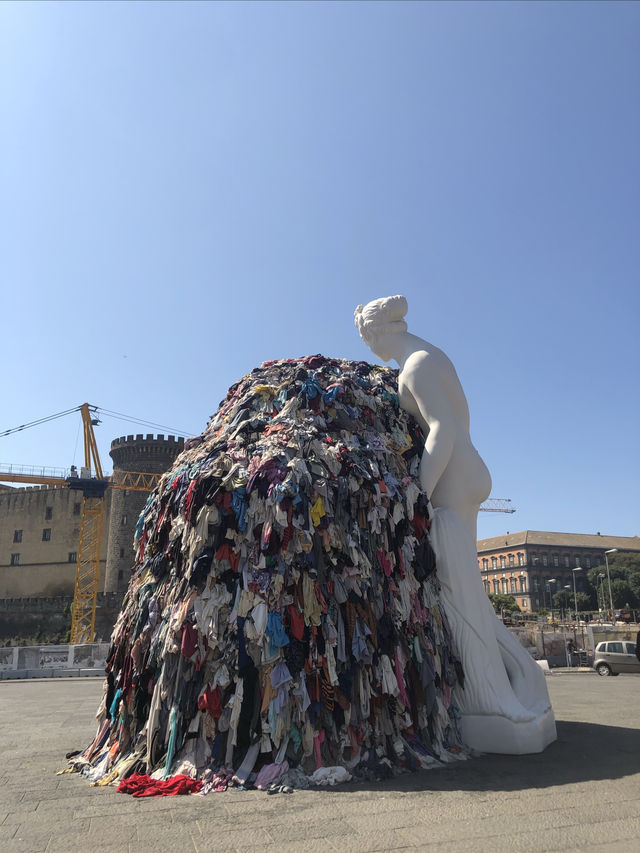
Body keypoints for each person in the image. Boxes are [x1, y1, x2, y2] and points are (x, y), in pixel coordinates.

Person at [355, 295, 556, 754]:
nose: (369, 350)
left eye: (367, 339)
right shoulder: (432, 354)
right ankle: (525, 682)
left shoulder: (415, 366)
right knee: (472, 591)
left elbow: (441, 429)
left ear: (381, 331)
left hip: (450, 482)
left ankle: (495, 705)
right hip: (468, 473)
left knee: (460, 594)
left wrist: (417, 493)